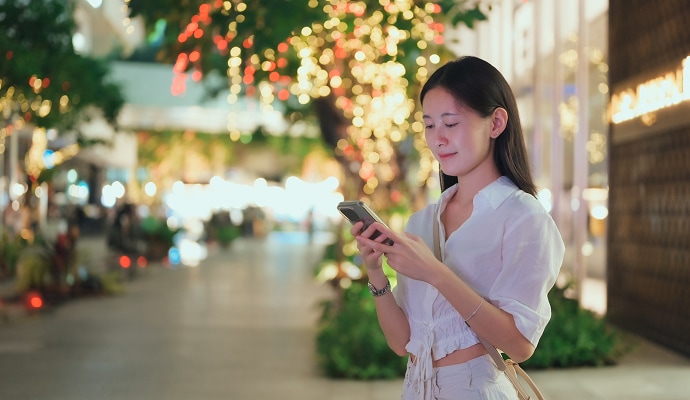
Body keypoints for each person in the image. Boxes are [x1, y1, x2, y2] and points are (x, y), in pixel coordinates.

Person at [351, 56, 565, 400]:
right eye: (430, 125)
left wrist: (436, 273)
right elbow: (401, 342)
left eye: (450, 123)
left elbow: (520, 345)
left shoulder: (524, 218)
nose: (438, 139)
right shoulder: (422, 221)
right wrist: (376, 272)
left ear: (495, 122)